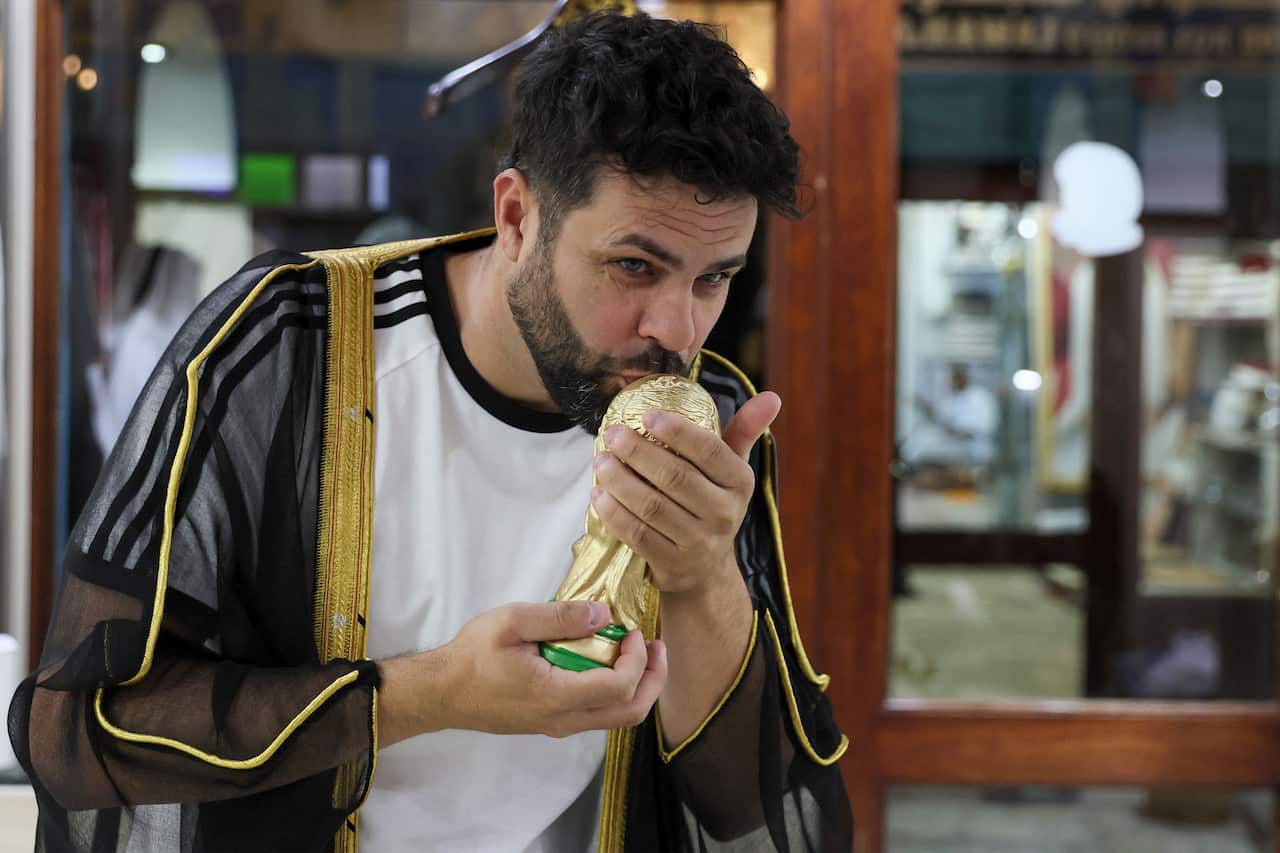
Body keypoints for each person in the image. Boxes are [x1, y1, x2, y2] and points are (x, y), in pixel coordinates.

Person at [9, 13, 851, 853]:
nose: (677, 327)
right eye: (635, 265)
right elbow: (75, 731)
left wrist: (702, 576)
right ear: (518, 217)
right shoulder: (282, 348)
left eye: (715, 278)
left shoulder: (707, 415)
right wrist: (428, 692)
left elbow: (766, 820)